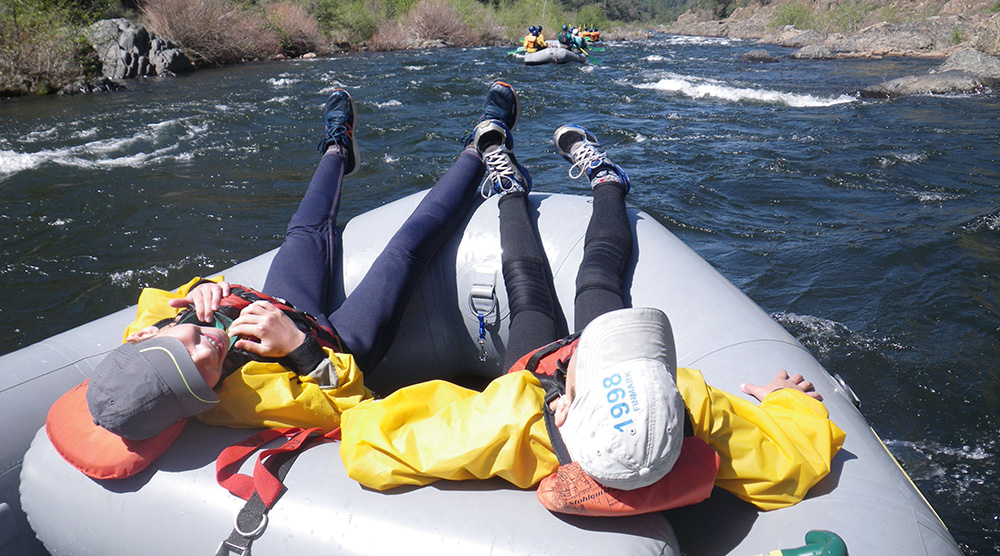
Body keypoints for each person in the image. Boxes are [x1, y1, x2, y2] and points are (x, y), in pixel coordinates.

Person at [338, 89, 846, 515]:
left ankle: (511, 189)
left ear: (568, 416)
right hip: (589, 399)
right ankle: (607, 179)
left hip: (534, 379)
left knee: (527, 287)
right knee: (599, 276)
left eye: (602, 359)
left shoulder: (514, 421)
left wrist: (330, 391)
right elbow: (800, 450)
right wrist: (785, 397)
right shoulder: (690, 405)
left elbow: (371, 442)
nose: (594, 350)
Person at [45, 81, 522, 479]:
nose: (209, 346)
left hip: (279, 303)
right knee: (406, 248)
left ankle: (338, 143)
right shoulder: (248, 402)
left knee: (305, 227)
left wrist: (201, 289)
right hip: (337, 345)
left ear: (149, 335)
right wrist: (298, 346)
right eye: (203, 370)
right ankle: (483, 143)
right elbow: (346, 404)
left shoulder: (151, 324)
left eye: (189, 339)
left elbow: (176, 298)